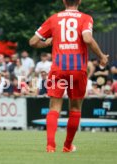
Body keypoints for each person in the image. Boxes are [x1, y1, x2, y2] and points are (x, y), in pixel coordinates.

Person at [29, 0, 108, 152]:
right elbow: (87, 39)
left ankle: (50, 146)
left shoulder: (54, 18)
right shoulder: (86, 18)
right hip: (78, 69)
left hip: (59, 68)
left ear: (64, 1)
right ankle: (67, 146)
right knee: (75, 109)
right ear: (79, 1)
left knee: (54, 108)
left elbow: (33, 42)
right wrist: (101, 56)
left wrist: (47, 43)